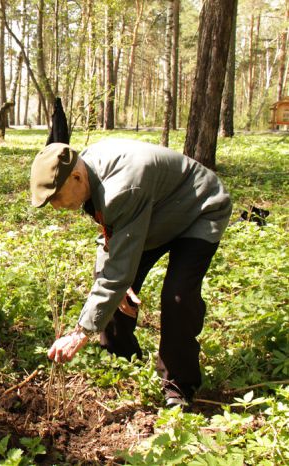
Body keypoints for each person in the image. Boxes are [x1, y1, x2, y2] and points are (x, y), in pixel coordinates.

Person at [29, 138, 232, 408]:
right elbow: (111, 236)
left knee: (178, 296)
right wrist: (116, 280)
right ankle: (121, 359)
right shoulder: (88, 171)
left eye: (56, 197)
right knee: (111, 283)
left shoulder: (120, 188)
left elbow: (117, 255)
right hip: (153, 214)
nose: (56, 207)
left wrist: (81, 332)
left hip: (200, 209)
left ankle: (178, 385)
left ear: (76, 176)